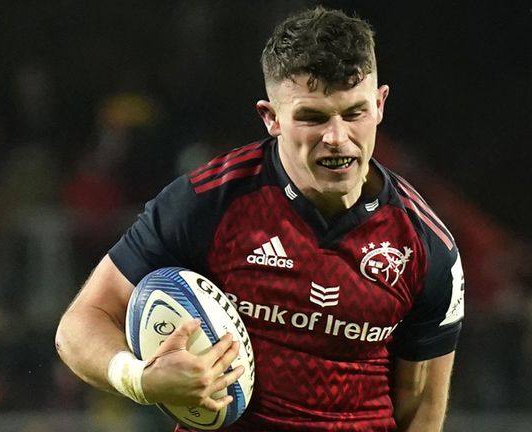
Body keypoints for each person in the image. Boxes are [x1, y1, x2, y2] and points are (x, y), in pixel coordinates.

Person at [55, 6, 465, 432]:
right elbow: (81, 323)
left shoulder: (426, 245)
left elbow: (421, 408)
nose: (337, 137)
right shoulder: (208, 203)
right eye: (312, 117)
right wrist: (141, 380)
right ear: (271, 117)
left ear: (380, 104)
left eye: (354, 113)